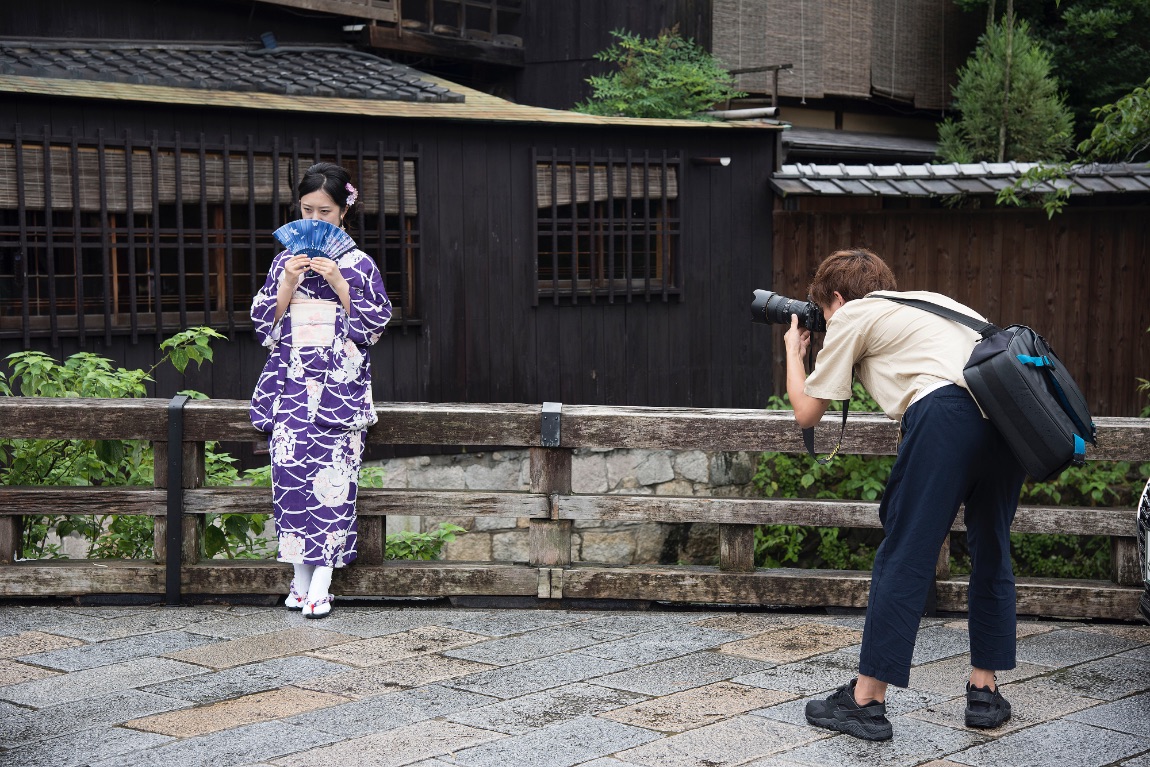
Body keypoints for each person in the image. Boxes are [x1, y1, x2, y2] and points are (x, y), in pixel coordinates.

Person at [783, 248, 1025, 741]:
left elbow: (807, 414)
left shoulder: (853, 313)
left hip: (946, 418)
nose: (828, 323)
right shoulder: (932, 302)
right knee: (992, 548)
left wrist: (794, 350)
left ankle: (866, 701)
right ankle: (985, 692)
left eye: (824, 313)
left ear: (835, 298)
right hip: (1009, 420)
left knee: (906, 554)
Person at [249, 162, 392, 619]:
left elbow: (372, 326)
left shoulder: (359, 264)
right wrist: (289, 282)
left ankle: (324, 582)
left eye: (325, 212)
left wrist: (337, 282)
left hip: (339, 383)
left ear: (343, 212)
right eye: (307, 210)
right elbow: (262, 327)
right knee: (289, 479)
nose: (314, 220)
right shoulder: (281, 261)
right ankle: (299, 580)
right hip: (291, 380)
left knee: (334, 483)